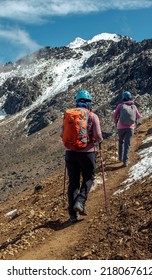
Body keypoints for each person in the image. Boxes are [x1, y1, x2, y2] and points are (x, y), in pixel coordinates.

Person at [60, 90, 103, 223]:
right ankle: (80, 201)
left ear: (77, 101)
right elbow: (98, 136)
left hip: (70, 153)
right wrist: (99, 141)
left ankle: (73, 215)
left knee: (73, 182)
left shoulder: (69, 116)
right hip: (87, 153)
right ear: (89, 103)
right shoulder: (92, 116)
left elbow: (62, 134)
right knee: (89, 178)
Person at [112, 91, 141, 167]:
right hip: (130, 128)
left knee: (121, 141)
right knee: (127, 144)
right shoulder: (134, 106)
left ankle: (120, 158)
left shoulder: (120, 105)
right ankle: (125, 161)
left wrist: (115, 120)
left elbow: (115, 115)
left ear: (123, 98)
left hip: (120, 127)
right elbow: (138, 116)